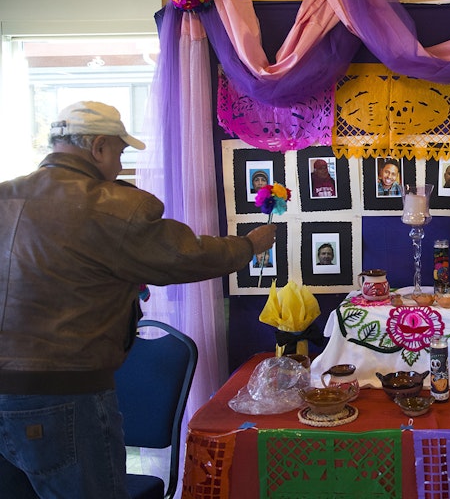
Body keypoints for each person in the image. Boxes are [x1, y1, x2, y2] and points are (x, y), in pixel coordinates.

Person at [0, 101, 276, 498]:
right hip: (65, 397)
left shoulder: (6, 196)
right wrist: (249, 245)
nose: (119, 164)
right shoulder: (110, 205)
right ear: (97, 147)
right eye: (119, 151)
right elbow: (186, 255)